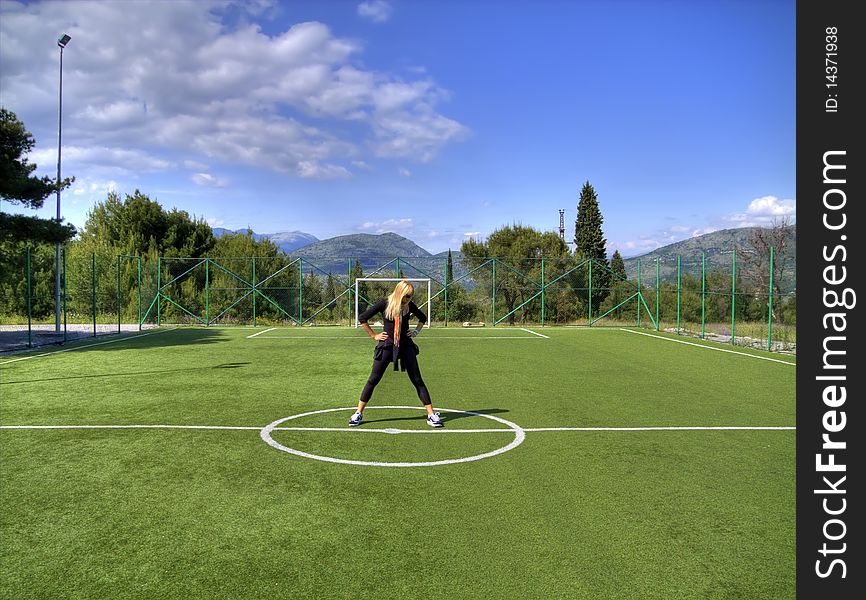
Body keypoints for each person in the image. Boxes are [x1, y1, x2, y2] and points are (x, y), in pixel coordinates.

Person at [350, 280, 443, 428]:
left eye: (411, 296)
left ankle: (431, 415)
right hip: (386, 346)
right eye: (407, 296)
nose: (409, 299)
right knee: (373, 379)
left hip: (406, 346)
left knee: (417, 380)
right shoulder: (384, 304)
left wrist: (416, 331)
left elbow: (422, 318)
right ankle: (358, 413)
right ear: (400, 293)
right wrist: (374, 335)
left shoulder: (409, 306)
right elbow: (363, 318)